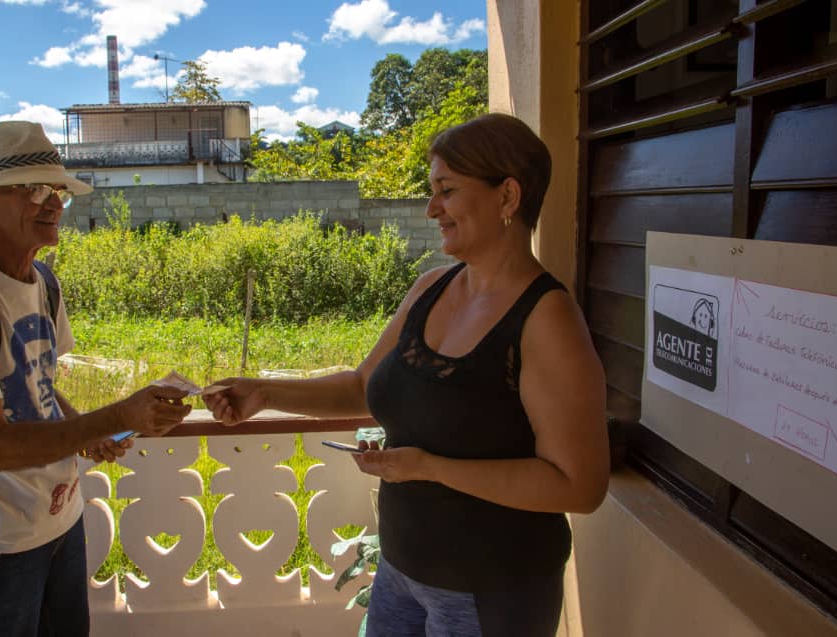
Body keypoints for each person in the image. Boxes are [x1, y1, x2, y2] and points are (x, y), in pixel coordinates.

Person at [203, 113, 609, 636]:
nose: (431, 208)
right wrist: (264, 391)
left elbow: (579, 486)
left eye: (446, 190)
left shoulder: (546, 319)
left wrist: (430, 467)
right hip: (402, 572)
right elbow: (361, 387)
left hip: (492, 591)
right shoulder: (432, 288)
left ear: (508, 197)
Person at [0, 121, 192, 636]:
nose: (53, 204)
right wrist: (121, 414)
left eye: (57, 191)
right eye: (34, 189)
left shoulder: (43, 282)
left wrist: (87, 427)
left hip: (61, 519)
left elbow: (38, 384)